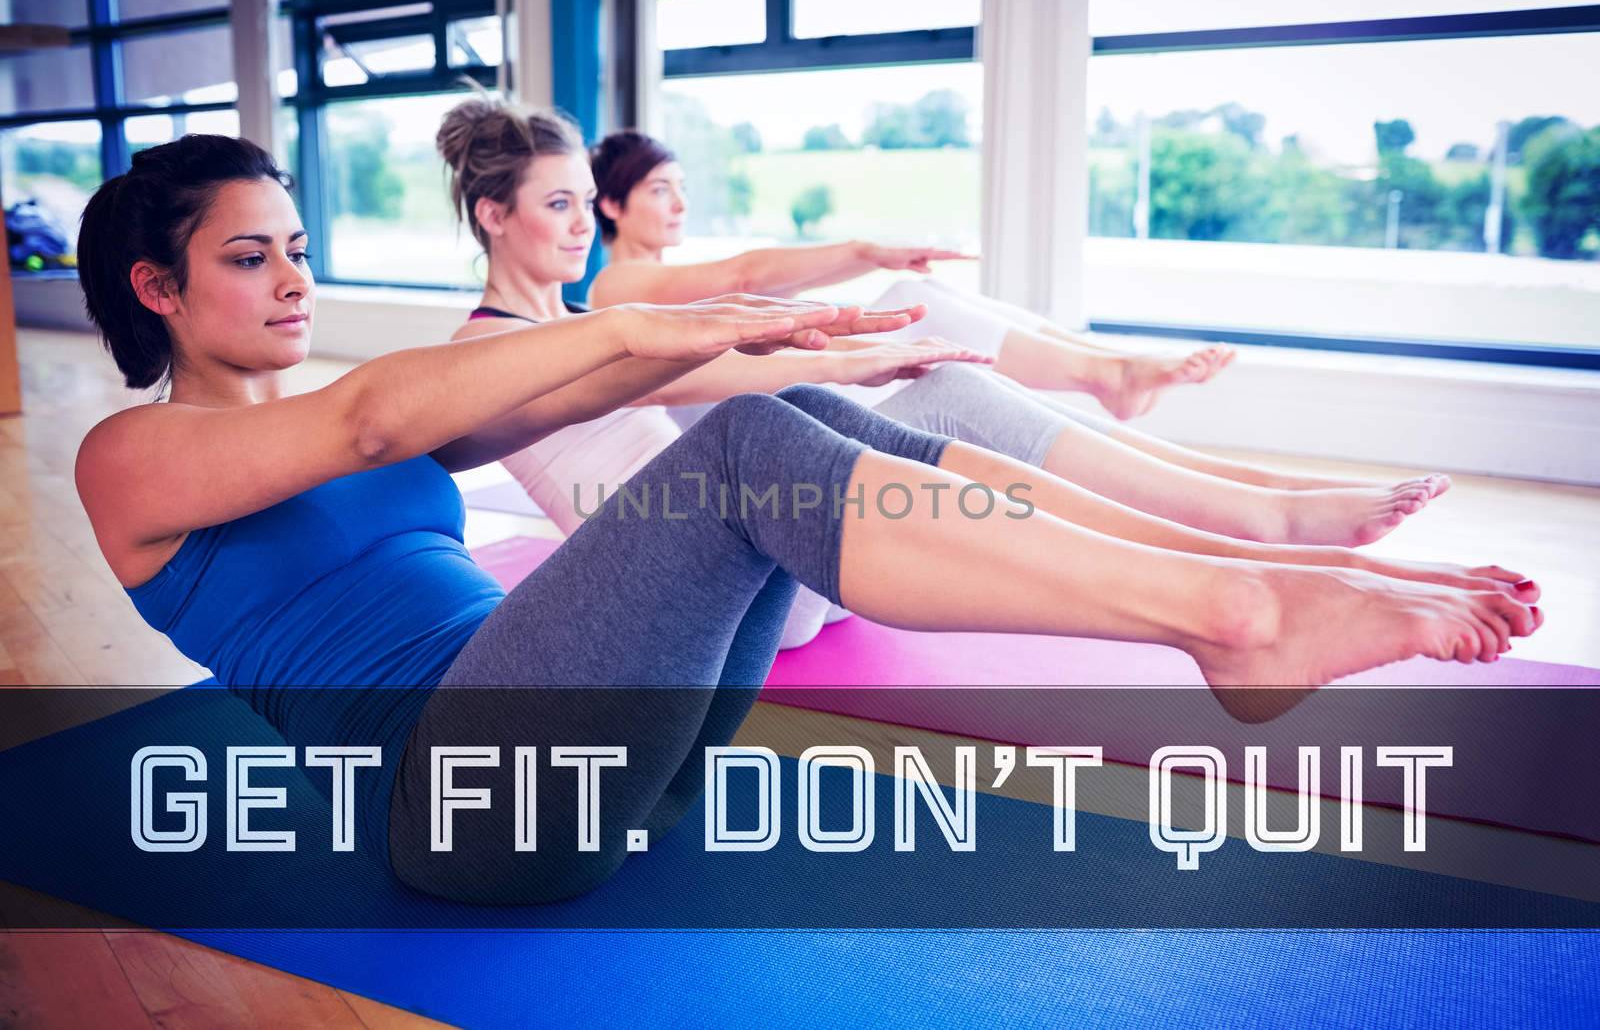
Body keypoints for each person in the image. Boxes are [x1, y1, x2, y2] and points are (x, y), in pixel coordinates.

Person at [75, 133, 1538, 905]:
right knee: (740, 454)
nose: (293, 279)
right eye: (251, 256)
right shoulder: (131, 459)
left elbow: (591, 375)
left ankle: (1251, 571)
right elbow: (379, 417)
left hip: (596, 754)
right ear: (158, 288)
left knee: (784, 421)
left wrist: (821, 341)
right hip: (462, 804)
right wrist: (698, 322)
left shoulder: (346, 403)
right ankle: (1240, 615)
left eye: (302, 249)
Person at [444, 99, 1465, 649]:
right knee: (895, 386)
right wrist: (856, 351)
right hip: (723, 595)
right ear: (494, 215)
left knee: (959, 390)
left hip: (764, 548)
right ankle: (1263, 536)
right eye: (559, 208)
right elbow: (676, 382)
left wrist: (865, 324)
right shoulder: (491, 349)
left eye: (588, 204)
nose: (583, 229)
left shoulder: (594, 312)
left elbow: (721, 339)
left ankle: (1266, 522)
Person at [586, 129, 1448, 499]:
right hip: (764, 431)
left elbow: (753, 274)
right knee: (914, 306)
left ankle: (1107, 365)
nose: (678, 204)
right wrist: (867, 252)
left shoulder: (670, 279)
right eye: (660, 191)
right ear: (612, 207)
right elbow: (751, 268)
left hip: (789, 407)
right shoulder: (616, 293)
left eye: (683, 188)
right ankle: (1111, 373)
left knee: (940, 306)